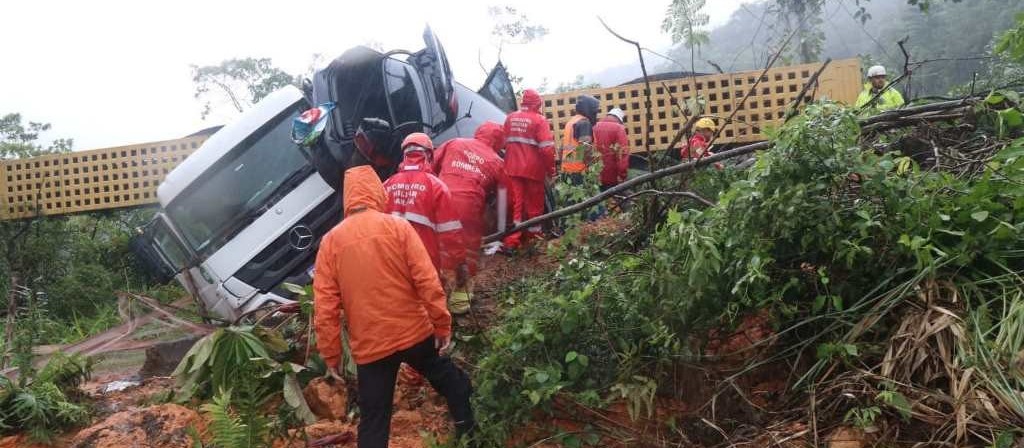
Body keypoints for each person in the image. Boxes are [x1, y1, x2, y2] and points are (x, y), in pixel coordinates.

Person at [313, 164, 474, 448]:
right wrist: (441, 324)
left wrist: (331, 354)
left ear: (348, 198)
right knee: (451, 381)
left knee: (374, 419)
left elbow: (326, 307)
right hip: (414, 333)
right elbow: (427, 280)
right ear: (377, 192)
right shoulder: (398, 227)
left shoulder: (330, 243)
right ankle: (468, 432)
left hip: (371, 348)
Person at [431, 122, 507, 314]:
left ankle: (434, 299)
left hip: (439, 200)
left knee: (436, 248)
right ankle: (459, 304)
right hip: (468, 207)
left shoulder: (454, 143)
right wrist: (501, 230)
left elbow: (431, 167)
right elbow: (504, 199)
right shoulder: (497, 161)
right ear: (499, 142)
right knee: (466, 253)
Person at [383, 133, 466, 284]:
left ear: (404, 155)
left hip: (391, 260)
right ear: (428, 155)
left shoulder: (387, 185)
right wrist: (458, 262)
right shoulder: (436, 186)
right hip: (425, 260)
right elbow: (450, 232)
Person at [502, 89, 556, 251]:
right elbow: (547, 149)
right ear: (537, 103)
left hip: (512, 168)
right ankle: (534, 239)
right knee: (535, 207)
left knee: (516, 206)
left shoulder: (510, 118)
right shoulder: (539, 120)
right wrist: (551, 170)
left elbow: (505, 141)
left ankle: (512, 241)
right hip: (533, 170)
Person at [559, 94, 600, 183]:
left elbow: (561, 149)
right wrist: (592, 169)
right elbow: (586, 148)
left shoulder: (571, 122)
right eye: (594, 111)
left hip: (566, 172)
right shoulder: (584, 123)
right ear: (588, 109)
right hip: (579, 173)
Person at [593, 108, 630, 192]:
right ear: (619, 119)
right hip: (612, 177)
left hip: (595, 176)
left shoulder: (594, 126)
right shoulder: (619, 128)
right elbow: (622, 154)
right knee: (619, 201)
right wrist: (623, 175)